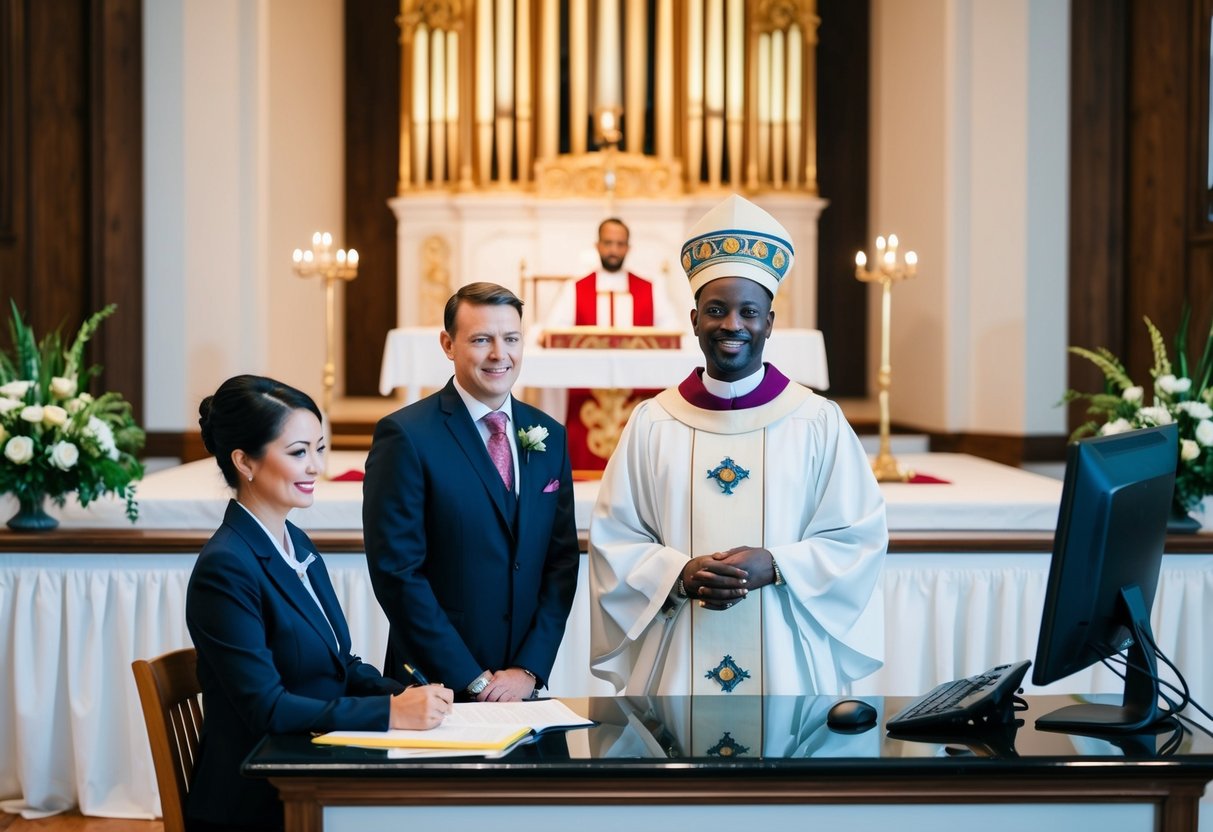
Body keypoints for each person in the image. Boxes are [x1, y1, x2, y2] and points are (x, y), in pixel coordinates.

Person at [588, 195, 887, 705]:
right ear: (694, 319)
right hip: (677, 650)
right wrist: (678, 573)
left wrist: (777, 563)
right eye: (716, 310)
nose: (732, 325)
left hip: (786, 656)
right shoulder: (652, 423)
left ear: (770, 322)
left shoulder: (817, 422)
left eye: (749, 312)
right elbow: (615, 537)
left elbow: (857, 536)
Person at [186, 375, 453, 832]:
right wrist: (391, 714)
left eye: (319, 449)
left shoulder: (295, 541)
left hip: (310, 764)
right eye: (298, 452)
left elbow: (339, 665)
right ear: (244, 461)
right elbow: (267, 708)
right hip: (261, 793)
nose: (315, 467)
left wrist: (404, 695)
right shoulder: (226, 568)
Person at [364, 282, 580, 703]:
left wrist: (528, 669)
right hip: (435, 687)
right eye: (482, 339)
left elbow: (561, 562)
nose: (500, 354)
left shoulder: (549, 435)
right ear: (448, 344)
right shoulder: (406, 436)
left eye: (511, 339)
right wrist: (473, 679)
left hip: (521, 688)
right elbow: (398, 574)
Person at [539, 218, 685, 472]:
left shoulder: (651, 288)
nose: (614, 250)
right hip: (587, 388)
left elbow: (672, 330)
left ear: (629, 248)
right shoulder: (575, 288)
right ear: (597, 245)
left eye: (620, 244)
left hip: (638, 386)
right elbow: (554, 330)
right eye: (608, 243)